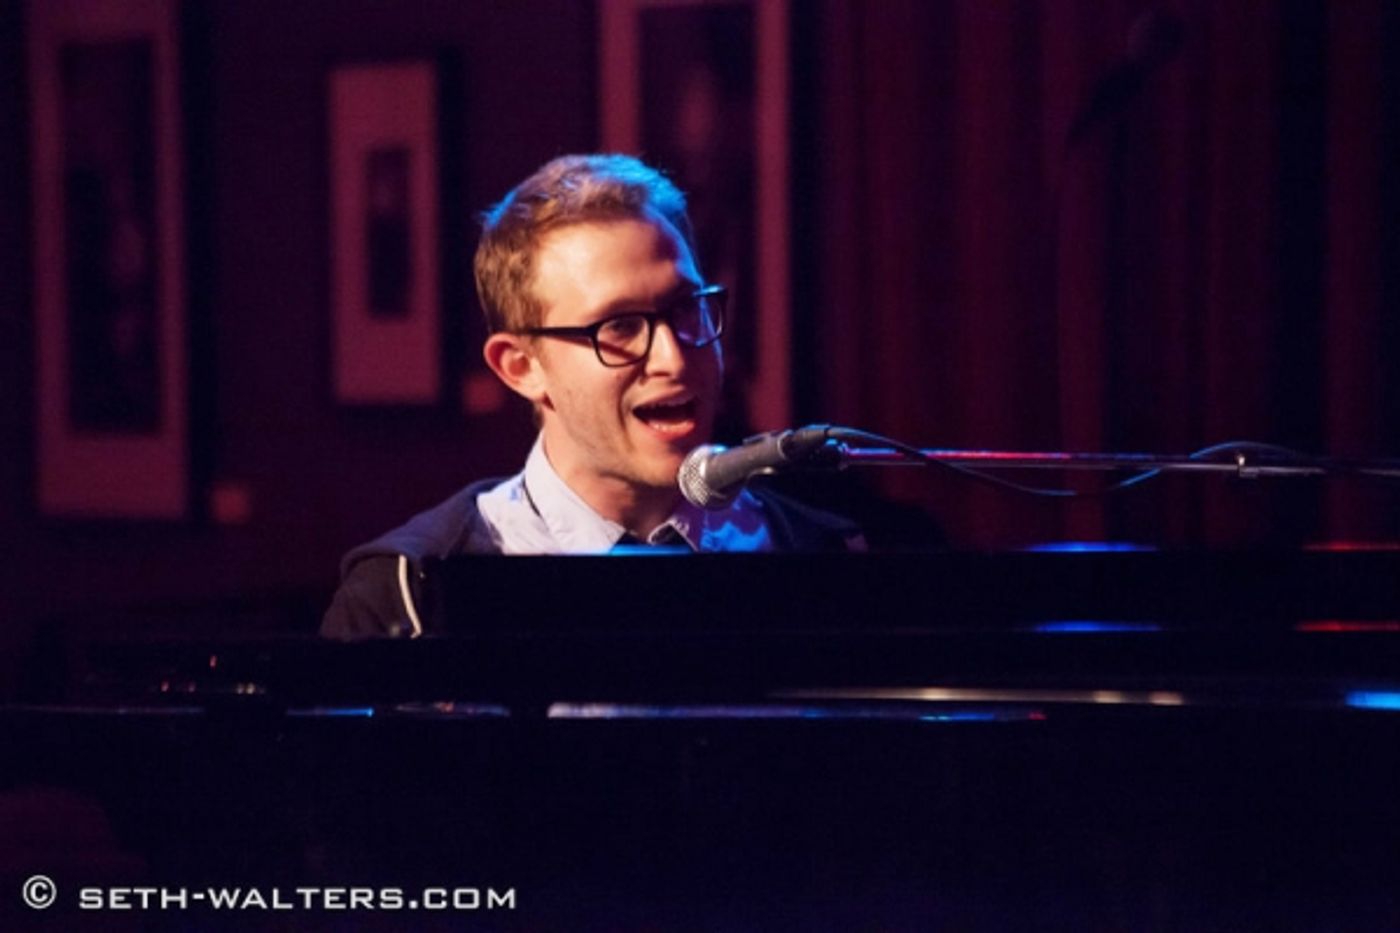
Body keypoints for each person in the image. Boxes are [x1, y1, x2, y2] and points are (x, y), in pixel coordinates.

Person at [322, 154, 862, 639]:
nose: (673, 359)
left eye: (685, 309)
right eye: (620, 326)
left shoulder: (821, 557)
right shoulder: (408, 596)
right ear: (521, 367)